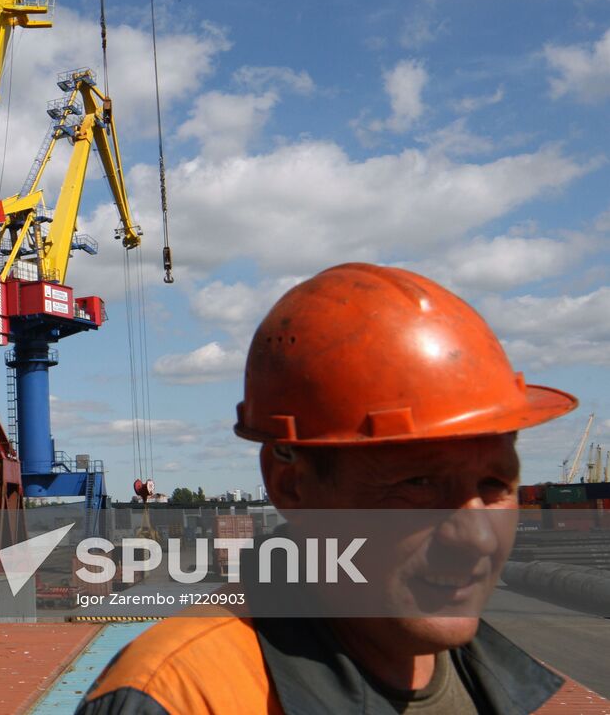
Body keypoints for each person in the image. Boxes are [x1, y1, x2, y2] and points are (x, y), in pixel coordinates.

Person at [78, 263, 580, 714]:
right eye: (419, 485)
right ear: (292, 487)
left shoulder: (497, 683)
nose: (478, 538)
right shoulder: (180, 698)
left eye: (495, 486)